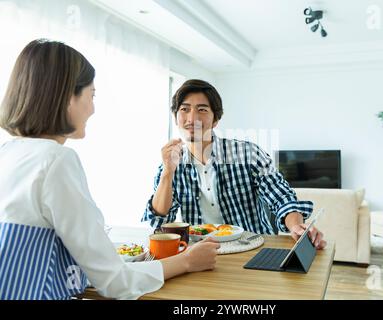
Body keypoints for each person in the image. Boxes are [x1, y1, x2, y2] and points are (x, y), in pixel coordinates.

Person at [0, 39, 219, 300]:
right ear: (66, 97)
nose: (92, 109)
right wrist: (186, 261)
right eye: (91, 95)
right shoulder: (56, 160)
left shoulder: (7, 153)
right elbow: (115, 282)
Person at [142, 79, 326, 249]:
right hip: (200, 253)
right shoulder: (170, 164)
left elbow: (282, 198)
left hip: (252, 248)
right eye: (185, 109)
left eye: (202, 110)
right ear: (176, 117)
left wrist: (297, 227)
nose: (192, 118)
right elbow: (159, 223)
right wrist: (167, 172)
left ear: (215, 120)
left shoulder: (248, 154)